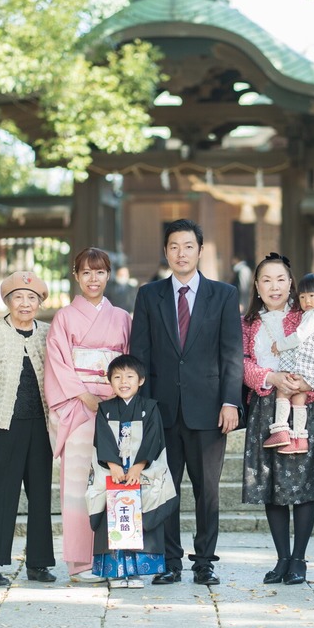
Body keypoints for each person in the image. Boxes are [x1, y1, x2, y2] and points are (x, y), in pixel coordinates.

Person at [129, 218, 244, 586]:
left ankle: (205, 561)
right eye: (174, 247)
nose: (181, 253)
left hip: (209, 409)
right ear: (166, 252)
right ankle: (170, 561)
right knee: (166, 488)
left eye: (188, 246)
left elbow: (232, 354)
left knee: (207, 490)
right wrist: (142, 410)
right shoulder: (149, 295)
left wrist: (231, 402)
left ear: (199, 250)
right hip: (162, 410)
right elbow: (140, 353)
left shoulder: (223, 295)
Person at [241, 253, 314, 586]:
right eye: (267, 280)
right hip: (266, 409)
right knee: (272, 487)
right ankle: (281, 559)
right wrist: (269, 377)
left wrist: (313, 384)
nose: (274, 286)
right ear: (257, 286)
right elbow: (240, 361)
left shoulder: (310, 316)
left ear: (291, 283)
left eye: (281, 279)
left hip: (306, 406)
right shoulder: (248, 323)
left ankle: (299, 559)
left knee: (303, 487)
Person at [43, 248, 131, 584]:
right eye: (86, 273)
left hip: (116, 407)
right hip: (79, 407)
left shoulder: (123, 318)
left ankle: (117, 558)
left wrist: (120, 396)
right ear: (76, 276)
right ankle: (80, 563)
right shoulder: (64, 318)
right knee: (78, 487)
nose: (93, 279)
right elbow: (58, 363)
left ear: (108, 275)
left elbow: (130, 364)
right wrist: (84, 395)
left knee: (117, 482)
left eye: (99, 272)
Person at [0, 270, 54, 587]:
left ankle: (39, 563)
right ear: (7, 301)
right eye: (18, 297)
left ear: (40, 303)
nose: (25, 303)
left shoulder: (47, 333)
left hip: (40, 426)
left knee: (41, 493)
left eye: (32, 298)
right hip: (3, 425)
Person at [85, 355, 177, 588]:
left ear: (141, 380)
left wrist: (138, 465)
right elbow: (102, 440)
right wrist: (114, 466)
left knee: (140, 515)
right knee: (113, 516)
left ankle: (136, 572)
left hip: (140, 473)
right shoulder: (105, 409)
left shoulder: (150, 408)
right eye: (117, 377)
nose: (123, 382)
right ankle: (115, 572)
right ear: (109, 382)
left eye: (129, 376)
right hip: (113, 473)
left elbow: (154, 439)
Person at [262, 272, 314, 455]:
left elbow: (299, 336)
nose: (306, 300)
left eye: (312, 296)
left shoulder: (313, 315)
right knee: (300, 398)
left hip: (305, 365)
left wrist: (279, 346)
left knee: (284, 389)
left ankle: (281, 429)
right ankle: (300, 439)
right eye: (302, 296)